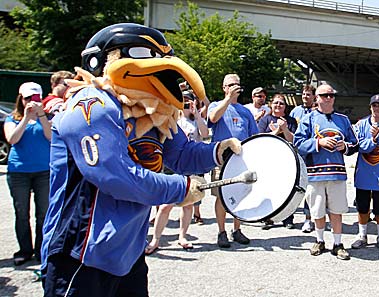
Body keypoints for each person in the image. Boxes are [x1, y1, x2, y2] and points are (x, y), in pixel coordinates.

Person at [40, 23, 241, 296]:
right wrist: (179, 188)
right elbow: (115, 175)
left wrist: (218, 151)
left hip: (128, 252)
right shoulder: (91, 105)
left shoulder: (151, 112)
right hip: (82, 250)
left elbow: (180, 154)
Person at [294, 84, 359, 260]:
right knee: (317, 210)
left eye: (331, 95)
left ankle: (337, 244)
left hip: (337, 172)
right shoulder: (308, 119)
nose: (328, 98)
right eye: (324, 95)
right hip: (315, 173)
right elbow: (298, 144)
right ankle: (319, 240)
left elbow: (354, 144)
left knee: (337, 210)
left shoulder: (343, 120)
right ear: (317, 98)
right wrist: (318, 143)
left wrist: (344, 146)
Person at [145, 91, 211, 254]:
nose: (187, 104)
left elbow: (205, 134)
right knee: (166, 205)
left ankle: (182, 236)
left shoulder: (196, 119)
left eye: (190, 101)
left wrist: (196, 115)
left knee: (188, 204)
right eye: (184, 101)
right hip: (173, 164)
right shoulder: (173, 117)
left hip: (192, 163)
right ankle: (156, 239)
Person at [208, 73, 259, 248]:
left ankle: (237, 229)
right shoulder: (216, 105)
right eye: (230, 84)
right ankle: (221, 232)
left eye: (237, 84)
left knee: (241, 195)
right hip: (221, 160)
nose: (234, 87)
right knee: (221, 197)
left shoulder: (246, 112)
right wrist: (228, 99)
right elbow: (213, 118)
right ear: (224, 88)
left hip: (241, 159)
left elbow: (254, 136)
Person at [4, 82, 51, 266]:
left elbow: (51, 137)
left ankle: (41, 249)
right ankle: (24, 249)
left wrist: (41, 115)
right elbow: (12, 139)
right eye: (27, 99)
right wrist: (25, 118)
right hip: (19, 171)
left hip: (43, 171)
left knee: (44, 212)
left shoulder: (47, 117)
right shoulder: (12, 118)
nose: (30, 102)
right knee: (21, 212)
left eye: (35, 98)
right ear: (20, 99)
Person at [351, 94, 379, 252]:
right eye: (374, 105)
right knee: (362, 207)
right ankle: (362, 235)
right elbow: (359, 146)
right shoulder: (361, 124)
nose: (376, 108)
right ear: (370, 107)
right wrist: (374, 141)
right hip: (363, 173)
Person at [258, 93, 298, 229]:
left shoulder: (291, 121)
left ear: (285, 107)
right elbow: (260, 138)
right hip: (269, 158)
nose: (278, 105)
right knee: (268, 188)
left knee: (287, 188)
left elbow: (293, 139)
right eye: (276, 103)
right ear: (271, 105)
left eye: (281, 103)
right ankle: (268, 217)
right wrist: (276, 131)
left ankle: (287, 218)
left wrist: (284, 128)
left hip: (287, 158)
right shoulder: (265, 120)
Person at [290, 85, 316, 233]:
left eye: (308, 94)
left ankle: (308, 219)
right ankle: (289, 215)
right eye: (304, 94)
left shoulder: (317, 112)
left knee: (310, 188)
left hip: (311, 155)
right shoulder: (295, 111)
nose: (305, 96)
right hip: (297, 154)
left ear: (313, 96)